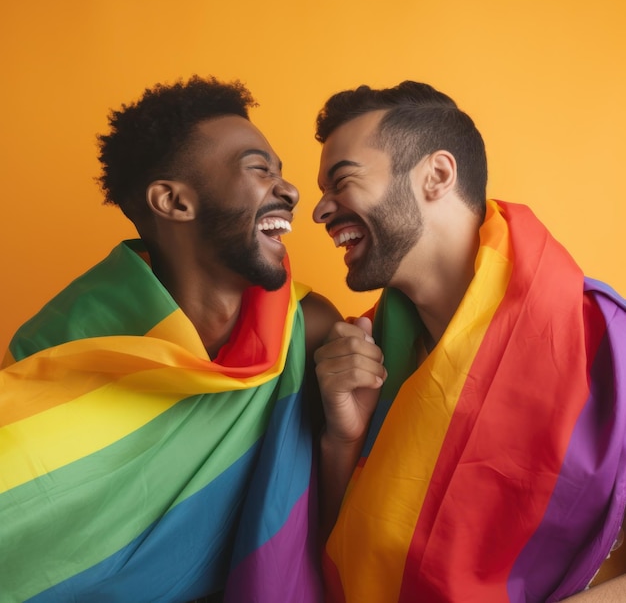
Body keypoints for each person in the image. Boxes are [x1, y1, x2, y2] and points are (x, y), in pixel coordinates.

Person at [0, 76, 341, 603]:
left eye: (281, 172)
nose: (291, 190)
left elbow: (332, 518)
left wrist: (344, 431)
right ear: (174, 202)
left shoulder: (310, 329)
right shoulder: (59, 345)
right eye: (260, 169)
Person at [311, 81, 626, 602]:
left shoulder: (604, 342)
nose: (321, 211)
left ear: (437, 175)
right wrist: (342, 439)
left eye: (342, 182)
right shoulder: (358, 353)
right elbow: (335, 559)